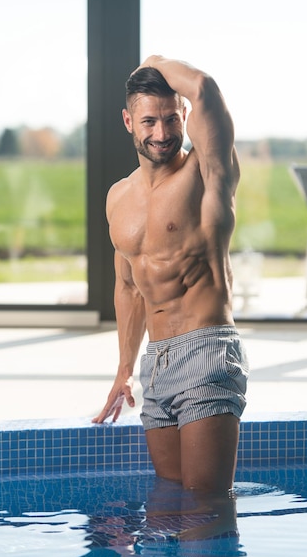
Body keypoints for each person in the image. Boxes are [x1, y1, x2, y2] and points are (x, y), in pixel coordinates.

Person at [92, 55, 249, 497]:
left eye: (170, 119)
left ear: (184, 116)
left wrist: (156, 61)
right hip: (155, 365)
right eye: (148, 121)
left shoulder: (206, 173)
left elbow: (205, 89)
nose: (161, 134)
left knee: (203, 509)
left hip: (206, 351)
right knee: (166, 509)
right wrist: (124, 367)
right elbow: (128, 286)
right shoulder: (118, 198)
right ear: (128, 121)